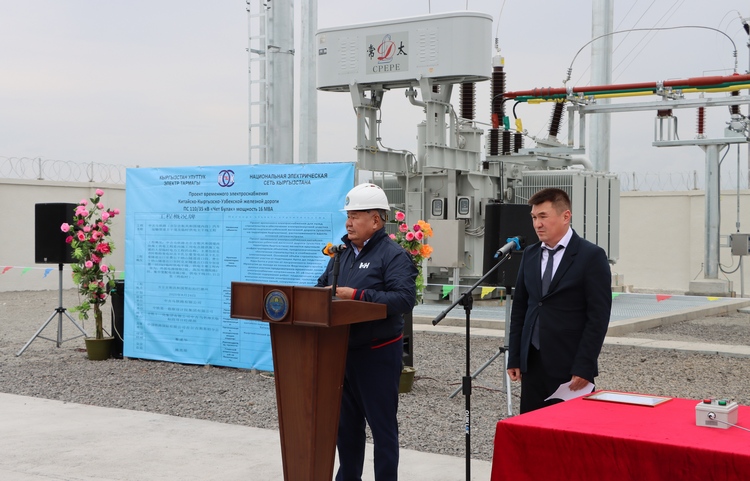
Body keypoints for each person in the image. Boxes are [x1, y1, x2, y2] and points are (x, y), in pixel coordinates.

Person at [316, 183, 418, 481]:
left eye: (355, 216)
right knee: (346, 428)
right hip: (342, 352)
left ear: (376, 220)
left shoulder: (393, 255)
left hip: (377, 355)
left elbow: (404, 300)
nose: (348, 223)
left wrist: (356, 295)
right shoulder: (342, 253)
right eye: (347, 216)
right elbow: (321, 288)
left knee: (382, 429)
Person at [506, 187, 611, 414]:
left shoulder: (591, 256)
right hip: (532, 363)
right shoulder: (530, 254)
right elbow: (521, 308)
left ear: (566, 216)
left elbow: (598, 317)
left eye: (543, 216)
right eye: (534, 217)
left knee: (568, 430)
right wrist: (514, 356)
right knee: (532, 428)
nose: (537, 224)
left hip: (569, 366)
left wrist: (584, 365)